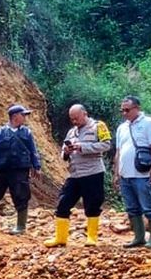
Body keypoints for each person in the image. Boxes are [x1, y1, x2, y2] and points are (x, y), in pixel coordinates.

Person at [45, 104, 111, 247]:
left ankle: (92, 238)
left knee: (92, 204)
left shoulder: (98, 126)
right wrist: (67, 152)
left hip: (92, 172)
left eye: (76, 118)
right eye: (72, 119)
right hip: (74, 173)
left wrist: (83, 147)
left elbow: (106, 145)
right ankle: (60, 238)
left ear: (85, 114)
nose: (74, 121)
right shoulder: (71, 132)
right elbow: (63, 154)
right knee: (63, 203)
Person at [0, 104, 42, 233]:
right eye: (23, 115)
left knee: (21, 196)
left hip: (20, 170)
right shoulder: (0, 132)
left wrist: (36, 166)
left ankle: (21, 227)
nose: (25, 117)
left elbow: (33, 150)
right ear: (15, 116)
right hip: (3, 169)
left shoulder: (27, 132)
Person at [113, 96, 151, 248]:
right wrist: (116, 173)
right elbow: (118, 151)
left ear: (137, 108)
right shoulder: (122, 127)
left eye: (127, 110)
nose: (124, 113)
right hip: (125, 174)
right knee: (131, 207)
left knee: (149, 206)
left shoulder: (149, 123)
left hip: (142, 173)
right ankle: (139, 237)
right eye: (122, 110)